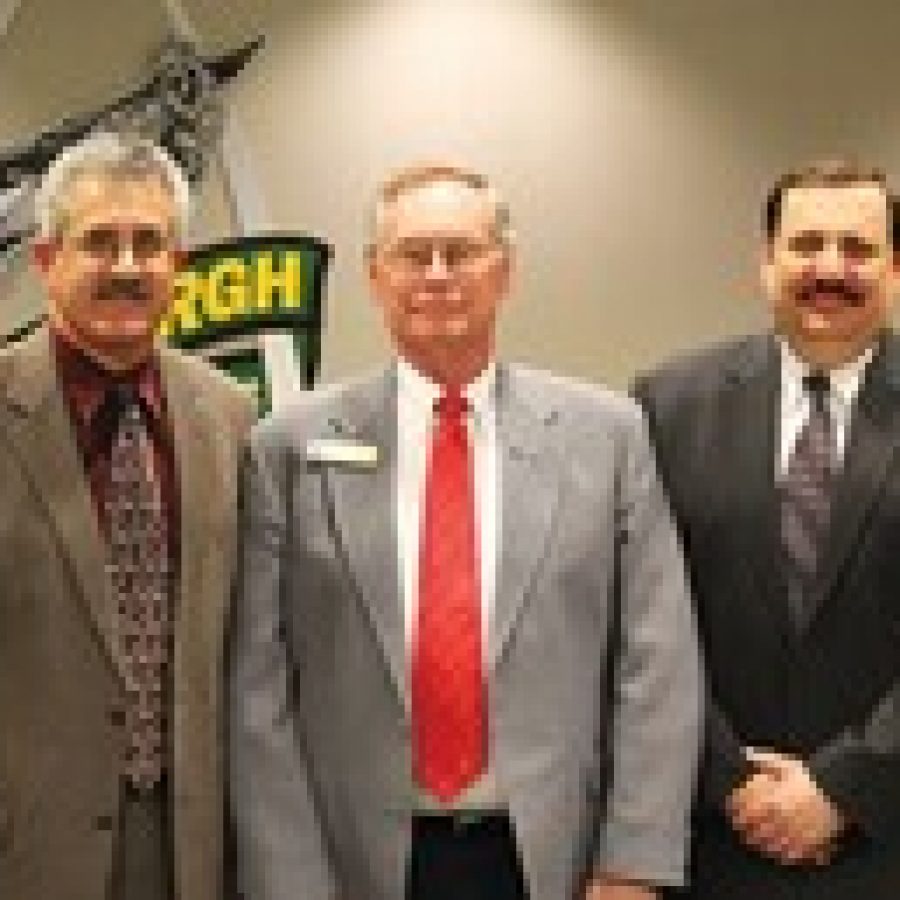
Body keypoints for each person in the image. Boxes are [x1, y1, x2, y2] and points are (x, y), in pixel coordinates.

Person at [229, 163, 701, 900]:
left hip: (556, 862)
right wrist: (288, 882)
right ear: (375, 276)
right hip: (354, 864)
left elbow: (658, 661)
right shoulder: (288, 448)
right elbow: (259, 690)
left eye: (462, 252)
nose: (439, 275)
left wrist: (634, 860)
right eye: (414, 255)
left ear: (504, 272)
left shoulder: (606, 437)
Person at [633, 158, 900, 898]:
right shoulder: (667, 406)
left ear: (896, 268)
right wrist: (736, 783)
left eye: (858, 248)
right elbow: (642, 620)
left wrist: (844, 787)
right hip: (713, 842)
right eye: (807, 244)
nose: (830, 268)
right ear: (766, 262)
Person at [0, 131, 254, 900]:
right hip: (25, 849)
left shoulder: (231, 416)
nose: (125, 267)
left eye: (149, 243)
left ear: (178, 265)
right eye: (99, 241)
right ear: (47, 262)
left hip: (194, 852)